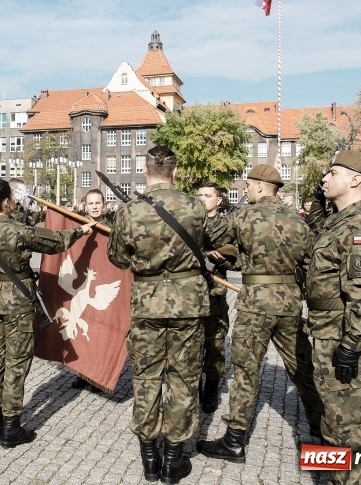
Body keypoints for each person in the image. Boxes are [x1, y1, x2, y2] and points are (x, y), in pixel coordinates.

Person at [200, 165, 322, 464]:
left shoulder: (243, 215)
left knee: (246, 370)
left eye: (247, 185)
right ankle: (323, 429)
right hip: (290, 301)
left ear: (257, 186)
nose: (245, 190)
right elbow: (309, 263)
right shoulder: (298, 220)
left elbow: (212, 234)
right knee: (303, 368)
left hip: (256, 302)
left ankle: (234, 441)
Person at [107, 146, 208, 484]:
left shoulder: (129, 211)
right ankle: (173, 461)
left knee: (147, 377)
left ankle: (150, 460)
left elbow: (118, 258)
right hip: (188, 304)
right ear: (175, 171)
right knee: (183, 379)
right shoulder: (195, 206)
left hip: (147, 303)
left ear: (144, 169)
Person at [0, 179, 94, 448]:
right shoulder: (19, 231)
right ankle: (11, 429)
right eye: (13, 198)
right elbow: (56, 241)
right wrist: (81, 230)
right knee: (16, 364)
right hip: (18, 302)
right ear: (6, 202)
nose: (15, 201)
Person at [305, 151, 361, 485]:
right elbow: (317, 224)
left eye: (332, 173)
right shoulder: (340, 220)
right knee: (332, 420)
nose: (325, 178)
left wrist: (352, 346)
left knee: (348, 428)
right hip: (328, 334)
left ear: (355, 180)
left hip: (344, 339)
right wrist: (319, 193)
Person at [196, 182, 236, 414]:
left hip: (215, 292)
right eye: (199, 194)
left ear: (219, 200)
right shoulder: (190, 221)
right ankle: (195, 387)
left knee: (214, 341)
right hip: (192, 291)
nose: (202, 198)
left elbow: (235, 255)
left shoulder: (226, 225)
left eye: (208, 195)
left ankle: (211, 386)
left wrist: (223, 259)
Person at [71, 188, 112, 392]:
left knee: (100, 331)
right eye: (91, 203)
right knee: (82, 330)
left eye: (98, 203)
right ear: (85, 206)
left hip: (103, 281)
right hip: (82, 285)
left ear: (103, 205)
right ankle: (82, 374)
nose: (95, 206)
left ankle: (99, 377)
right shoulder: (78, 225)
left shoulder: (112, 227)